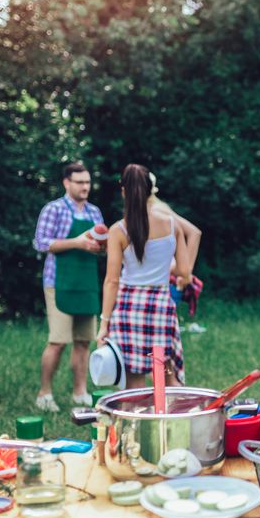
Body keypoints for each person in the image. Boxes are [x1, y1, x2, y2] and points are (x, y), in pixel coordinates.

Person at [97, 164, 191, 388]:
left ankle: (137, 422)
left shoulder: (118, 230)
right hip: (160, 306)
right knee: (166, 374)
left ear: (123, 191)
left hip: (129, 309)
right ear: (151, 191)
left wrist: (104, 324)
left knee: (134, 379)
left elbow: (112, 281)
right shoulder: (172, 225)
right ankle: (179, 420)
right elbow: (185, 272)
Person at [33, 162, 105, 411]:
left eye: (87, 182)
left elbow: (100, 244)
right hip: (59, 283)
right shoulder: (53, 209)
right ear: (67, 183)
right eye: (80, 182)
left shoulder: (95, 213)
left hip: (86, 283)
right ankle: (45, 394)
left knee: (84, 341)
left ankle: (80, 392)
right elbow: (41, 243)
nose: (85, 187)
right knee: (58, 341)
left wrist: (100, 247)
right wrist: (76, 242)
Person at [147, 173, 202, 316]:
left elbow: (194, 233)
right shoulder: (144, 211)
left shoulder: (156, 210)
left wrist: (186, 272)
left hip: (164, 280)